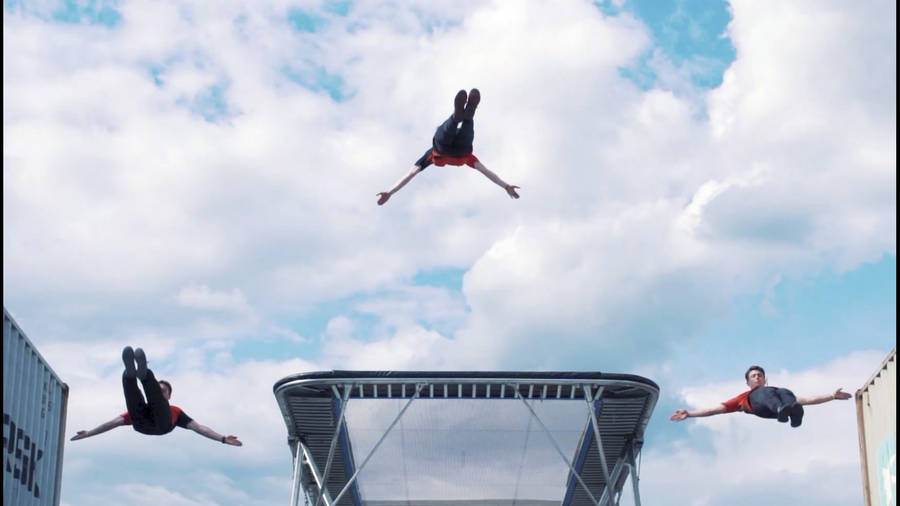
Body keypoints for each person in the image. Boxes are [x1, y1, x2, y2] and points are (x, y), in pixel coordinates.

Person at [70, 346, 242, 446]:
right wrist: (89, 433)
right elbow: (113, 423)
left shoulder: (175, 411)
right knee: (134, 400)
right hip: (142, 423)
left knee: (155, 401)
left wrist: (223, 439)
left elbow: (199, 428)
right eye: (159, 389)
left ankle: (145, 376)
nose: (160, 392)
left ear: (169, 396)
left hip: (162, 424)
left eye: (163, 391)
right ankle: (130, 376)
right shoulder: (143, 410)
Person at [377, 88, 520, 205]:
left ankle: (457, 118)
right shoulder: (469, 159)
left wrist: (391, 191)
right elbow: (487, 172)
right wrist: (505, 186)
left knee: (447, 134)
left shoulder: (430, 155)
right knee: (464, 132)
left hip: (445, 150)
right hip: (461, 152)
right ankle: (465, 116)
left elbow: (410, 175)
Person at [669, 365, 851, 427]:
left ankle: (794, 415)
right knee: (764, 393)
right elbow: (715, 410)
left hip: (779, 406)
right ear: (748, 382)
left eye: (760, 376)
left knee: (786, 392)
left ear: (765, 378)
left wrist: (831, 396)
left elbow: (807, 400)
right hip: (761, 407)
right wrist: (690, 413)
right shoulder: (744, 397)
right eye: (753, 376)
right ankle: (782, 410)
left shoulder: (775, 390)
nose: (757, 377)